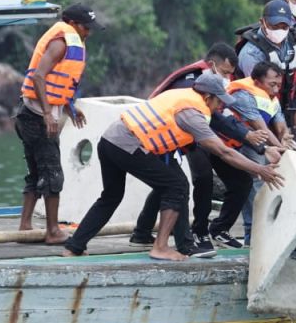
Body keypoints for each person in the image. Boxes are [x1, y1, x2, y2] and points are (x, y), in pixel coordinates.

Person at [63, 73, 283, 261]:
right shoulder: (193, 113)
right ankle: (160, 247)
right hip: (130, 145)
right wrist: (260, 169)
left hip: (110, 140)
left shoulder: (182, 95)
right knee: (176, 186)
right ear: (207, 97)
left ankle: (74, 247)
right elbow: (223, 151)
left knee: (112, 196)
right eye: (219, 102)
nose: (221, 106)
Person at [132, 43, 269, 256]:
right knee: (199, 178)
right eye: (224, 72)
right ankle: (199, 231)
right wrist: (246, 136)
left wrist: (251, 140)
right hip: (181, 137)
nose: (227, 78)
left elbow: (220, 117)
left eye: (230, 74)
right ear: (213, 65)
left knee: (240, 180)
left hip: (205, 133)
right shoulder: (188, 82)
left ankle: (220, 228)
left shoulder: (216, 83)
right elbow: (208, 118)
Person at [14, 2, 102, 244]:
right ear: (72, 23)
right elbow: (39, 76)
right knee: (53, 174)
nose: (88, 32)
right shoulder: (62, 41)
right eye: (86, 27)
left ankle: (25, 226)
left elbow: (58, 83)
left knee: (36, 172)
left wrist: (68, 108)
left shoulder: (71, 40)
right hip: (36, 117)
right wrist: (47, 114)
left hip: (28, 113)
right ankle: (53, 231)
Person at [223, 61, 294, 246]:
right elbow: (261, 128)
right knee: (253, 186)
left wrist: (285, 137)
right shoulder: (243, 95)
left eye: (279, 85)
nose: (276, 89)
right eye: (272, 84)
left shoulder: (272, 97)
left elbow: (280, 123)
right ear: (256, 81)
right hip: (235, 144)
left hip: (258, 143)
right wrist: (283, 150)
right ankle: (252, 238)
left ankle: (269, 234)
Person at [236, 0, 296, 136]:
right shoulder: (251, 53)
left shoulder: (293, 42)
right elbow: (258, 95)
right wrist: (280, 130)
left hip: (285, 104)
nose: (280, 31)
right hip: (254, 111)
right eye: (274, 26)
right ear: (262, 22)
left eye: (284, 27)